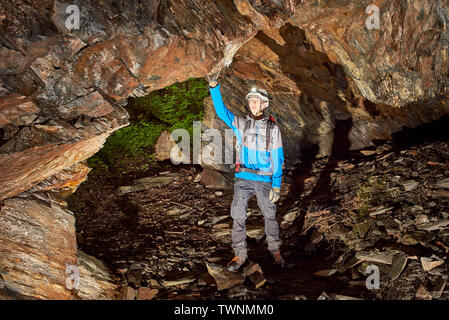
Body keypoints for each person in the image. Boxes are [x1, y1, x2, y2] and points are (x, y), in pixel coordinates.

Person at [208, 78, 286, 272]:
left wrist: (276, 184)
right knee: (238, 215)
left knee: (270, 214)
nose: (253, 103)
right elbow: (221, 111)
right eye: (251, 100)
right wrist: (213, 87)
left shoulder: (273, 129)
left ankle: (275, 251)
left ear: (264, 104)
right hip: (243, 178)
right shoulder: (241, 124)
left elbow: (278, 158)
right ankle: (240, 254)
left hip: (265, 179)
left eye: (257, 100)